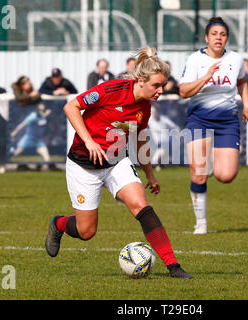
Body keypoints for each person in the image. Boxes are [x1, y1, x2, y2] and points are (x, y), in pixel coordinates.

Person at [45, 47, 192, 279]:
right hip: (84, 166)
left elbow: (140, 141)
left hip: (116, 163)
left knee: (142, 207)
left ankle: (173, 266)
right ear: (141, 80)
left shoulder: (144, 106)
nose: (161, 91)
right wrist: (89, 142)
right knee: (86, 231)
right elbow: (70, 106)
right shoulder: (110, 89)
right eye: (156, 85)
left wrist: (150, 175)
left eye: (162, 85)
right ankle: (59, 224)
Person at [178, 17, 248, 235]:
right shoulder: (195, 60)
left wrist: (247, 104)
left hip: (227, 120)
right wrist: (206, 76)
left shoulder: (236, 59)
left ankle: (209, 165)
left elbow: (241, 82)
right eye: (214, 34)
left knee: (226, 176)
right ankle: (200, 223)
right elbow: (184, 92)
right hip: (199, 119)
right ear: (206, 37)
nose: (218, 37)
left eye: (222, 34)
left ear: (226, 38)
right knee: (199, 174)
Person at [10, 103, 52, 169]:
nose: (41, 111)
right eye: (40, 109)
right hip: (28, 139)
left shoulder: (42, 115)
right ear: (37, 110)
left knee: (46, 156)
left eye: (42, 110)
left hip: (38, 141)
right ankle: (4, 166)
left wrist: (47, 113)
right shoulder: (33, 116)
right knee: (15, 153)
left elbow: (44, 115)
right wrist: (14, 132)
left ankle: (45, 171)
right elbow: (23, 124)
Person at [148, 103, 180, 168]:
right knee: (159, 160)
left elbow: (176, 127)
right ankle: (162, 165)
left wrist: (178, 134)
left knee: (155, 160)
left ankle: (160, 165)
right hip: (154, 144)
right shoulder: (149, 120)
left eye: (154, 111)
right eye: (152, 112)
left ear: (158, 112)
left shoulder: (164, 119)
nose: (153, 113)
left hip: (164, 144)